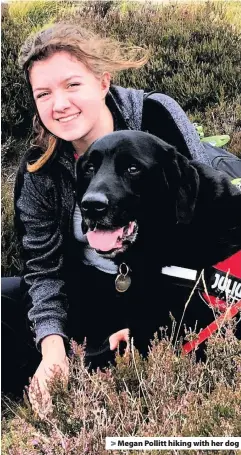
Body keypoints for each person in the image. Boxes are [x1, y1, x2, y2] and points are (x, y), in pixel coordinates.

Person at [2, 23, 240, 413]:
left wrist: (152, 322)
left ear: (102, 82)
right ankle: (65, 369)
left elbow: (203, 216)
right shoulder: (39, 170)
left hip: (171, 288)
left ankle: (106, 367)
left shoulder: (155, 116)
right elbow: (43, 272)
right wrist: (53, 348)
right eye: (43, 93)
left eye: (72, 85)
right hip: (91, 290)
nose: (58, 104)